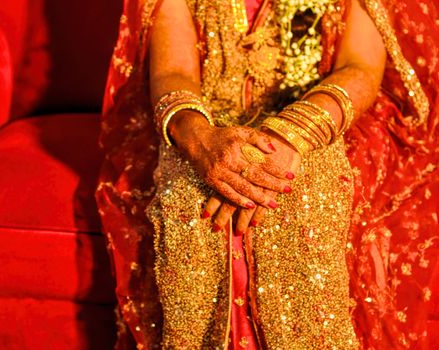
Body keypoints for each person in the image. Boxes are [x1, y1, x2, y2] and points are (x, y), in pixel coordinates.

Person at [96, 0, 439, 348]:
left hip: (330, 113)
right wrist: (199, 140)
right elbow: (174, 73)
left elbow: (360, 67)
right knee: (190, 196)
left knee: (302, 193)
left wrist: (294, 134)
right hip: (207, 122)